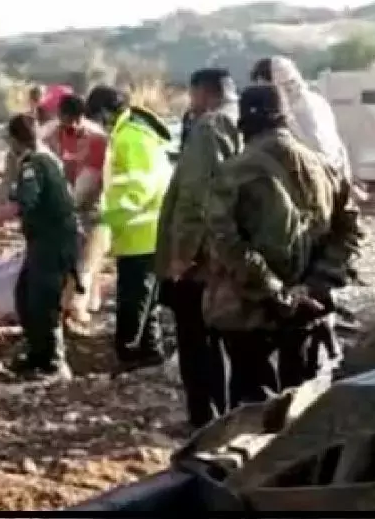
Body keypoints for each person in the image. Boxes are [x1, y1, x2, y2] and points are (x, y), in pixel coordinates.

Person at [204, 84, 362, 409]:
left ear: (244, 124)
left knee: (252, 405)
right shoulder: (326, 168)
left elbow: (226, 242)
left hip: (247, 311)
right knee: (302, 402)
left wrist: (276, 291)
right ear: (285, 118)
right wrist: (313, 285)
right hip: (309, 308)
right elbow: (349, 232)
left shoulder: (232, 172)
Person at [155, 68, 242, 430]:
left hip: (203, 259)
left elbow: (195, 196)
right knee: (229, 342)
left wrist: (182, 255)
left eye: (192, 97)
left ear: (203, 94)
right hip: (235, 253)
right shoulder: (245, 122)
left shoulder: (210, 127)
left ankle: (204, 420)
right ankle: (228, 416)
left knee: (196, 340)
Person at [0, 113, 79, 381]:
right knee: (25, 296)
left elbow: (25, 202)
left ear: (16, 140)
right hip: (46, 241)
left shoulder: (33, 164)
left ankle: (54, 363)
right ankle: (37, 354)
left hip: (53, 242)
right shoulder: (44, 159)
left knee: (43, 301)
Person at [86, 85, 173, 371]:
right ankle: (150, 354)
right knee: (145, 300)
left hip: (141, 232)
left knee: (132, 300)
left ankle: (130, 355)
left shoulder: (130, 137)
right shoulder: (132, 133)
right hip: (141, 231)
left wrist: (108, 218)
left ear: (104, 113)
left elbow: (138, 188)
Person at [43, 93, 110, 319]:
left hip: (89, 206)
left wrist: (67, 206)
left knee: (86, 261)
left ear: (82, 117)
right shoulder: (52, 135)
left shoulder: (96, 139)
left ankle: (77, 308)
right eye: (66, 121)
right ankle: (69, 303)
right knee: (66, 259)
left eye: (75, 121)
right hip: (63, 205)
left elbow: (89, 182)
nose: (71, 126)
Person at [250, 56, 351, 179]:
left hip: (315, 176)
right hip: (334, 175)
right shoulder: (318, 100)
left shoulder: (289, 111)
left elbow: (317, 147)